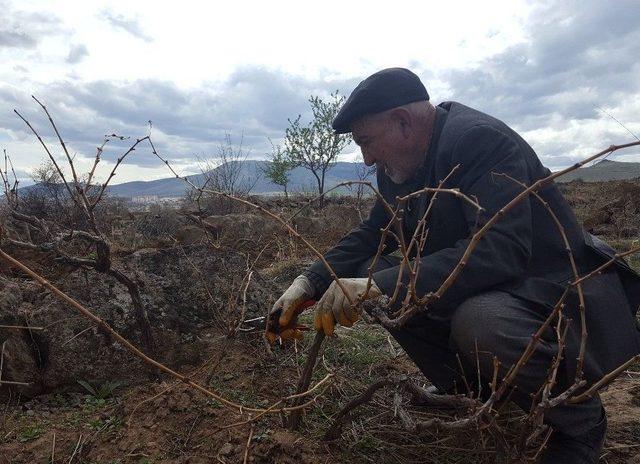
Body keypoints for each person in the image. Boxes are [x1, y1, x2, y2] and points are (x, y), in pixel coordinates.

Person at [267, 68, 640, 463]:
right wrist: (308, 282)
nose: (367, 157)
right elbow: (375, 232)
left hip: (556, 294)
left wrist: (380, 284)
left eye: (367, 141)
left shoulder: (480, 140)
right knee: (367, 269)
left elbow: (501, 250)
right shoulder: (401, 164)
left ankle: (578, 420)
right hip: (497, 289)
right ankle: (473, 392)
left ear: (403, 122)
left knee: (475, 319)